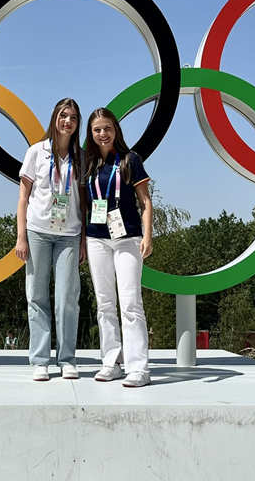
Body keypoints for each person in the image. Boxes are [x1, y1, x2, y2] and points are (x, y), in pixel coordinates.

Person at [83, 107, 153, 387]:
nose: (103, 134)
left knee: (131, 303)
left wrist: (148, 236)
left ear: (116, 130)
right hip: (96, 239)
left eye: (107, 128)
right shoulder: (88, 164)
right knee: (104, 304)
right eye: (97, 129)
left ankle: (139, 368)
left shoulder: (130, 159)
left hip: (128, 238)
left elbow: (146, 202)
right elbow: (84, 204)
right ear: (91, 133)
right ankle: (111, 361)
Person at [16, 98, 84, 381]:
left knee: (67, 298)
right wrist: (21, 236)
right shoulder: (36, 152)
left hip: (70, 234)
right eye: (63, 115)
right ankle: (40, 359)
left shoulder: (81, 156)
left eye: (73, 117)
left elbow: (86, 202)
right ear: (54, 118)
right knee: (37, 295)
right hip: (38, 231)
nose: (67, 121)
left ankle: (67, 358)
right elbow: (23, 197)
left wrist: (83, 242)